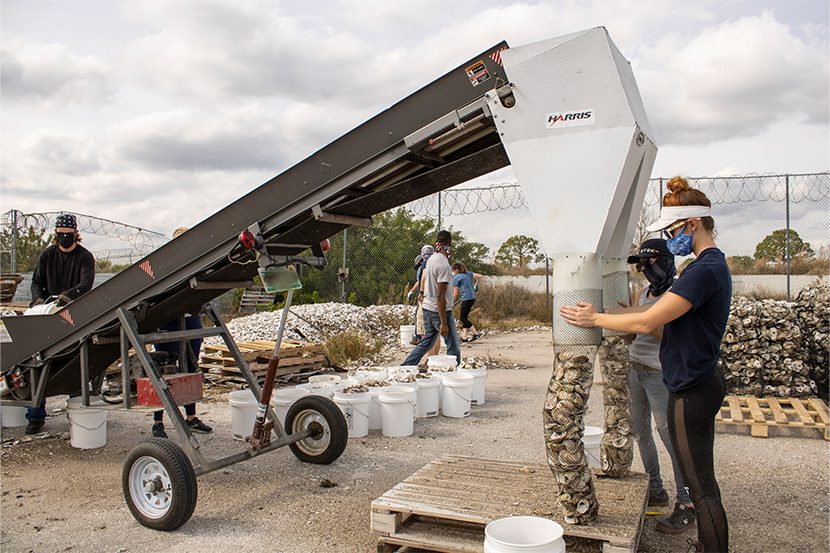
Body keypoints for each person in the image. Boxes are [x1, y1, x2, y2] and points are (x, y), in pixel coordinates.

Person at [561, 176, 731, 553]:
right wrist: (607, 312)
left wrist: (594, 321)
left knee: (701, 485)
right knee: (698, 476)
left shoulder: (704, 271)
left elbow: (647, 323)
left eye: (672, 231)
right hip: (696, 382)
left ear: (692, 224)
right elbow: (652, 309)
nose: (671, 240)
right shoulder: (703, 267)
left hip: (693, 389)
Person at [625, 239, 694, 534]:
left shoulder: (677, 295)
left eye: (648, 263)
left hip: (658, 374)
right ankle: (656, 487)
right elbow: (636, 337)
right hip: (636, 370)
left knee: (670, 437)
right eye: (640, 264)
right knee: (640, 432)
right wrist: (628, 323)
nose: (643, 270)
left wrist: (642, 323)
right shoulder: (644, 293)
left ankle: (687, 502)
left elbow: (673, 338)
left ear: (666, 262)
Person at [25, 213, 95, 434]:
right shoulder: (48, 255)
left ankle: (78, 411)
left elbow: (86, 283)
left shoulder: (84, 257)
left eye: (68, 235)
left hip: (74, 314)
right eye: (61, 235)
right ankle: (35, 416)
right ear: (56, 235)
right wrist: (38, 299)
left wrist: (68, 297)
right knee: (40, 362)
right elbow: (37, 281)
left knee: (76, 361)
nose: (65, 238)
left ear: (76, 234)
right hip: (48, 312)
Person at [150, 226, 212, 438]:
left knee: (191, 369)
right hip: (168, 322)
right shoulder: (164, 266)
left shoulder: (196, 264)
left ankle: (191, 417)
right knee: (163, 370)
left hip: (191, 320)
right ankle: (158, 422)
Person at [402, 230, 461, 367]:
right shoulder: (444, 265)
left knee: (426, 342)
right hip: (439, 310)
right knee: (453, 344)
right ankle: (455, 372)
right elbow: (440, 296)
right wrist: (444, 323)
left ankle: (406, 366)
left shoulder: (431, 260)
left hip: (427, 307)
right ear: (449, 243)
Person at [407, 245, 434, 345]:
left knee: (419, 316)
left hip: (426, 295)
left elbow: (420, 281)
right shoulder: (438, 262)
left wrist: (416, 292)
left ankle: (419, 337)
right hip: (436, 295)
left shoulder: (424, 267)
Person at [451, 262, 483, 342]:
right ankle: (464, 338)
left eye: (452, 270)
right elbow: (480, 276)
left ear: (455, 270)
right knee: (464, 317)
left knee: (462, 318)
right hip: (472, 298)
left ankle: (476, 334)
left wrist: (450, 303)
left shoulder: (456, 277)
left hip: (466, 298)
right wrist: (475, 285)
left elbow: (455, 293)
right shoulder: (468, 274)